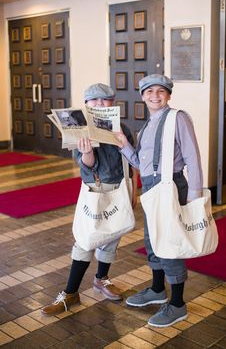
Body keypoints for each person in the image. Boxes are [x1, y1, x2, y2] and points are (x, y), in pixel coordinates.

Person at [41, 83, 137, 315]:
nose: (100, 104)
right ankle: (70, 292)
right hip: (95, 190)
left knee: (112, 236)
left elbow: (133, 162)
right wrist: (87, 152)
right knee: (85, 240)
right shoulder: (79, 128)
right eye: (94, 101)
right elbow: (88, 166)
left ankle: (101, 278)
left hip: (120, 188)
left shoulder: (121, 127)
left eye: (105, 100)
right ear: (86, 105)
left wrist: (134, 192)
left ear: (113, 104)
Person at [116, 74, 203, 328]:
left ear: (168, 95)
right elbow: (142, 166)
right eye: (149, 91)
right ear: (142, 96)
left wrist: (195, 196)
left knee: (170, 243)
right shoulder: (146, 126)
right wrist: (123, 145)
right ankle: (157, 289)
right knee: (153, 240)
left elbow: (192, 157)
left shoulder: (178, 118)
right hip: (153, 187)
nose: (155, 95)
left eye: (161, 91)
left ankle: (177, 304)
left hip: (172, 186)